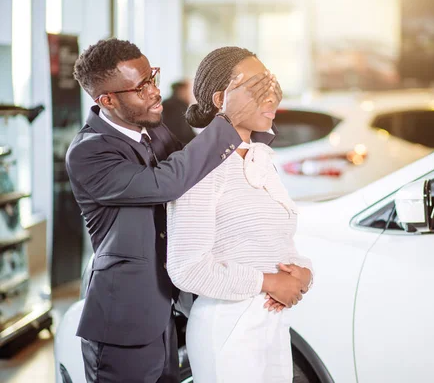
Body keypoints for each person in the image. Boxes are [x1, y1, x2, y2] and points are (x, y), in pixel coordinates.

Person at [66, 38, 279, 383]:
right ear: (106, 100)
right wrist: (227, 120)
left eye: (153, 77)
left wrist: (257, 123)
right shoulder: (89, 152)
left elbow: (205, 171)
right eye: (141, 87)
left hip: (168, 309)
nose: (154, 91)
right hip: (124, 318)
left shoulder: (154, 133)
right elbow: (168, 182)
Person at [166, 46, 313, 383]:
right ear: (222, 99)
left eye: (270, 85)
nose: (269, 96)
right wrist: (268, 282)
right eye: (255, 86)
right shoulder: (202, 164)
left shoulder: (260, 157)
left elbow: (274, 241)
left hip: (271, 323)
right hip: (226, 328)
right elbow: (186, 267)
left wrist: (303, 274)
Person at [162, 79, 197, 145]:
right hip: (179, 145)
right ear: (181, 91)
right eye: (188, 91)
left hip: (167, 143)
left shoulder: (166, 103)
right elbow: (184, 132)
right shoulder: (180, 106)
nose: (189, 94)